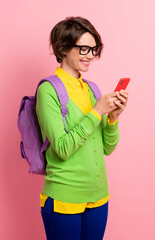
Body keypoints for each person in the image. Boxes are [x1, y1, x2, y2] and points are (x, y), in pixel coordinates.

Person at [35, 16, 129, 240]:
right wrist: (96, 112)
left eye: (93, 49)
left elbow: (107, 148)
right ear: (63, 48)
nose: (90, 56)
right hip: (64, 198)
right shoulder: (48, 90)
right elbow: (63, 148)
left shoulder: (92, 89)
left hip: (98, 196)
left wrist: (113, 118)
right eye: (84, 49)